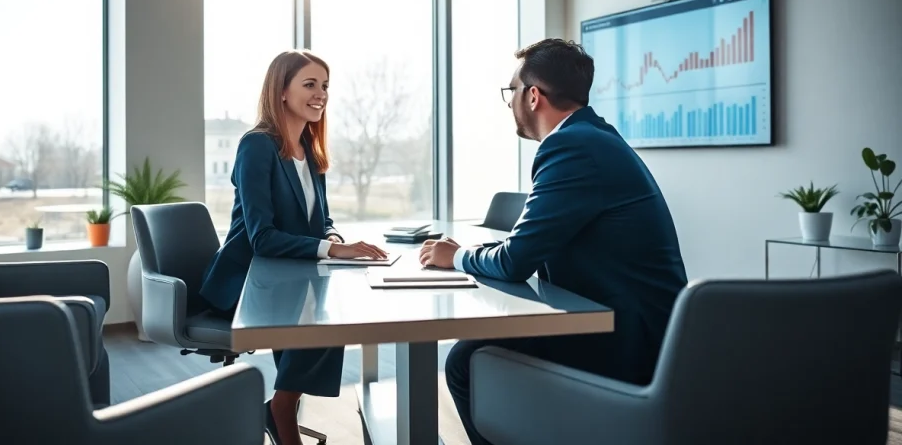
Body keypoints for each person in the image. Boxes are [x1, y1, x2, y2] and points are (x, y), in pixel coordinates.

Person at [419, 38, 688, 445]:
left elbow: (514, 261)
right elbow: (530, 244)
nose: (509, 103)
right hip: (644, 327)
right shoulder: (594, 136)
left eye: (510, 92)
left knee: (465, 358)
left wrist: (456, 257)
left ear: (532, 96)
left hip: (628, 341)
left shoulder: (572, 146)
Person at [199, 49, 387, 445]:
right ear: (281, 91)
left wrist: (333, 239)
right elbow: (261, 237)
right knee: (326, 314)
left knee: (331, 305)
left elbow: (322, 221)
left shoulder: (310, 149)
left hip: (288, 275)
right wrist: (334, 251)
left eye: (325, 86)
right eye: (309, 85)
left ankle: (282, 404)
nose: (320, 94)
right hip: (248, 279)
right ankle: (283, 407)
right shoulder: (257, 146)